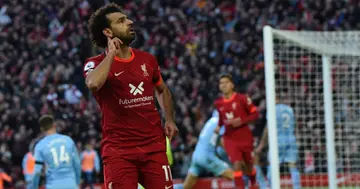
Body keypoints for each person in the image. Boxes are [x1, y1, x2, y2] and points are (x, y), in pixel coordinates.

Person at [84, 3, 178, 188]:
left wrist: (169, 119)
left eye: (126, 18)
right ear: (108, 32)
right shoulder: (94, 63)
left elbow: (161, 89)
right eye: (121, 21)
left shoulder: (147, 59)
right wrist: (111, 54)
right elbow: (93, 84)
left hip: (153, 148)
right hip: (119, 152)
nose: (130, 21)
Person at [212, 74, 259, 189]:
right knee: (236, 165)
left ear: (232, 85)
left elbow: (255, 113)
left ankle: (253, 184)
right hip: (230, 138)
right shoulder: (218, 103)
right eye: (221, 83)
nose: (223, 85)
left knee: (249, 165)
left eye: (226, 82)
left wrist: (242, 120)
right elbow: (222, 119)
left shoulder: (242, 98)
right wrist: (218, 127)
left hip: (245, 137)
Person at [174, 110, 234, 189]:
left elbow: (213, 141)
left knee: (186, 186)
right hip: (207, 156)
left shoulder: (209, 122)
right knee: (235, 176)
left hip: (196, 156)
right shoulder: (220, 123)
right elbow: (223, 142)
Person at [255, 96, 301, 189]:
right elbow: (294, 125)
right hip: (291, 139)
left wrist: (261, 145)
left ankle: (272, 186)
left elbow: (268, 128)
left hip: (277, 141)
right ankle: (297, 187)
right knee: (293, 166)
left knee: (272, 166)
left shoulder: (272, 110)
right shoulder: (289, 109)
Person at [31, 115, 81, 189]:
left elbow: (37, 172)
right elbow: (77, 163)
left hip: (53, 185)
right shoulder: (68, 140)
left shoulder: (40, 146)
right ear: (54, 125)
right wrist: (77, 182)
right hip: (71, 184)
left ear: (42, 129)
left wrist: (34, 187)